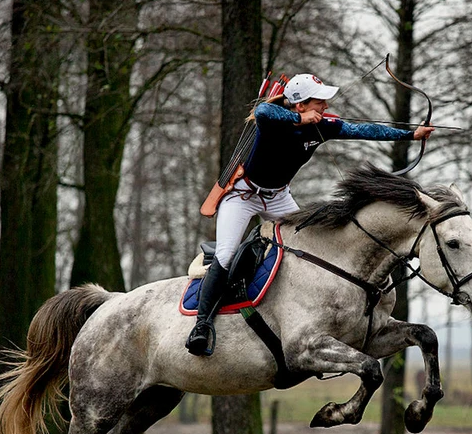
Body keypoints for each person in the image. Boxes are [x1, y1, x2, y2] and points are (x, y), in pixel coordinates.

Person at [186, 72, 434, 356]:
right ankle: (202, 326)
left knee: (311, 245)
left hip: (278, 198)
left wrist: (411, 134)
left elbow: (364, 130)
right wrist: (298, 120)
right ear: (300, 104)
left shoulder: (323, 126)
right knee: (226, 255)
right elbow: (264, 110)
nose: (325, 107)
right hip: (243, 196)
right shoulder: (274, 121)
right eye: (319, 102)